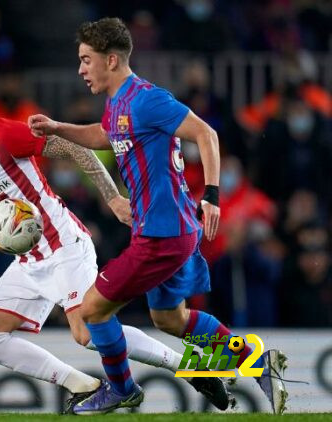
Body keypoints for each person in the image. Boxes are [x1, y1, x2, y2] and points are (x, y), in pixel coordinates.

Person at [0, 67, 228, 412]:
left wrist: (112, 199)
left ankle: (188, 365)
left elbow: (75, 149)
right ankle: (82, 384)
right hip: (28, 261)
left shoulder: (3, 135)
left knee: (88, 332)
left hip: (64, 244)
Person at [28, 17, 288, 415]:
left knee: (92, 310)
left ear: (111, 60)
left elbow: (207, 134)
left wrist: (213, 195)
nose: (80, 69)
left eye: (86, 60)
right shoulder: (119, 102)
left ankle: (121, 389)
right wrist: (59, 128)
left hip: (162, 234)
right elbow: (106, 134)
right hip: (170, 231)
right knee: (170, 318)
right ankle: (256, 362)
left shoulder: (148, 98)